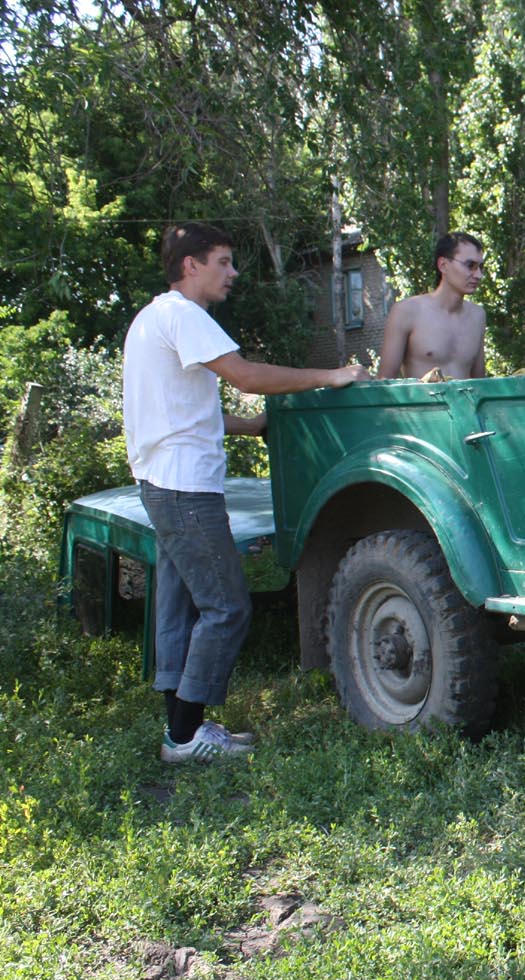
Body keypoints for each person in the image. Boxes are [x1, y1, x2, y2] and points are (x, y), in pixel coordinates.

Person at [123, 222, 370, 763]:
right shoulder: (185, 315)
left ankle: (182, 730)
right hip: (185, 489)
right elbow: (247, 376)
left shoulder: (150, 318)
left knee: (178, 608)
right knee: (227, 607)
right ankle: (184, 738)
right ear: (191, 265)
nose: (233, 273)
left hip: (160, 482)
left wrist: (249, 426)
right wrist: (331, 375)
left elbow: (180, 413)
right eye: (224, 261)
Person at [376, 232, 488, 380]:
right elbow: (384, 382)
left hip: (466, 396)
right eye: (470, 265)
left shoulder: (477, 315)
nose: (478, 275)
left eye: (481, 267)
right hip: (422, 396)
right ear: (443, 265)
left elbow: (480, 383)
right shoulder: (407, 311)